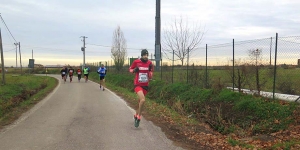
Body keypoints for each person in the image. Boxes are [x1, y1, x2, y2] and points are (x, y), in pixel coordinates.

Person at [129, 49, 153, 127]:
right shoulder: (136, 62)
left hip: (145, 85)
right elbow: (130, 69)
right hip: (138, 84)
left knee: (140, 102)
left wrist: (150, 74)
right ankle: (139, 117)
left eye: (147, 55)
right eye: (144, 55)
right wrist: (134, 70)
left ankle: (136, 115)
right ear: (142, 55)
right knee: (142, 100)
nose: (146, 56)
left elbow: (151, 73)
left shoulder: (150, 63)